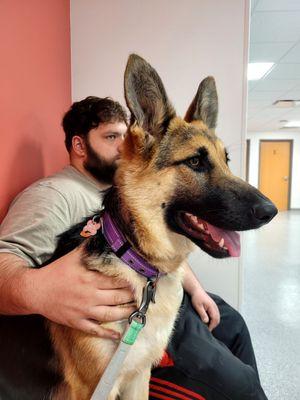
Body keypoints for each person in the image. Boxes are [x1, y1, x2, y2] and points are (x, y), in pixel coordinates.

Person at [0, 97, 267, 399]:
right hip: (120, 314)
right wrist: (41, 291)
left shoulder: (123, 185)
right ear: (79, 145)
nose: (127, 145)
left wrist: (195, 288)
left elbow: (151, 240)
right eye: (112, 137)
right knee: (238, 387)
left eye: (125, 134)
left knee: (234, 325)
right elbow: (4, 261)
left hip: (161, 293)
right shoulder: (53, 194)